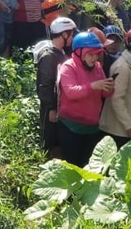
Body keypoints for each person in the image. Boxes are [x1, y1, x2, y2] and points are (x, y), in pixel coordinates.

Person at [57, 32, 114, 167]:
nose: (94, 58)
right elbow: (70, 92)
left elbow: (105, 94)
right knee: (73, 168)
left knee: (89, 168)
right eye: (90, 54)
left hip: (92, 128)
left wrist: (109, 88)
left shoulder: (98, 67)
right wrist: (93, 86)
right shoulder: (68, 66)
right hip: (71, 127)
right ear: (79, 52)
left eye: (96, 54)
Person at [34, 17, 77, 159]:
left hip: (61, 105)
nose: (72, 37)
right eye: (71, 34)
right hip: (51, 108)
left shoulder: (61, 53)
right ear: (64, 34)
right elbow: (43, 85)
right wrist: (51, 108)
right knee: (49, 141)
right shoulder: (48, 56)